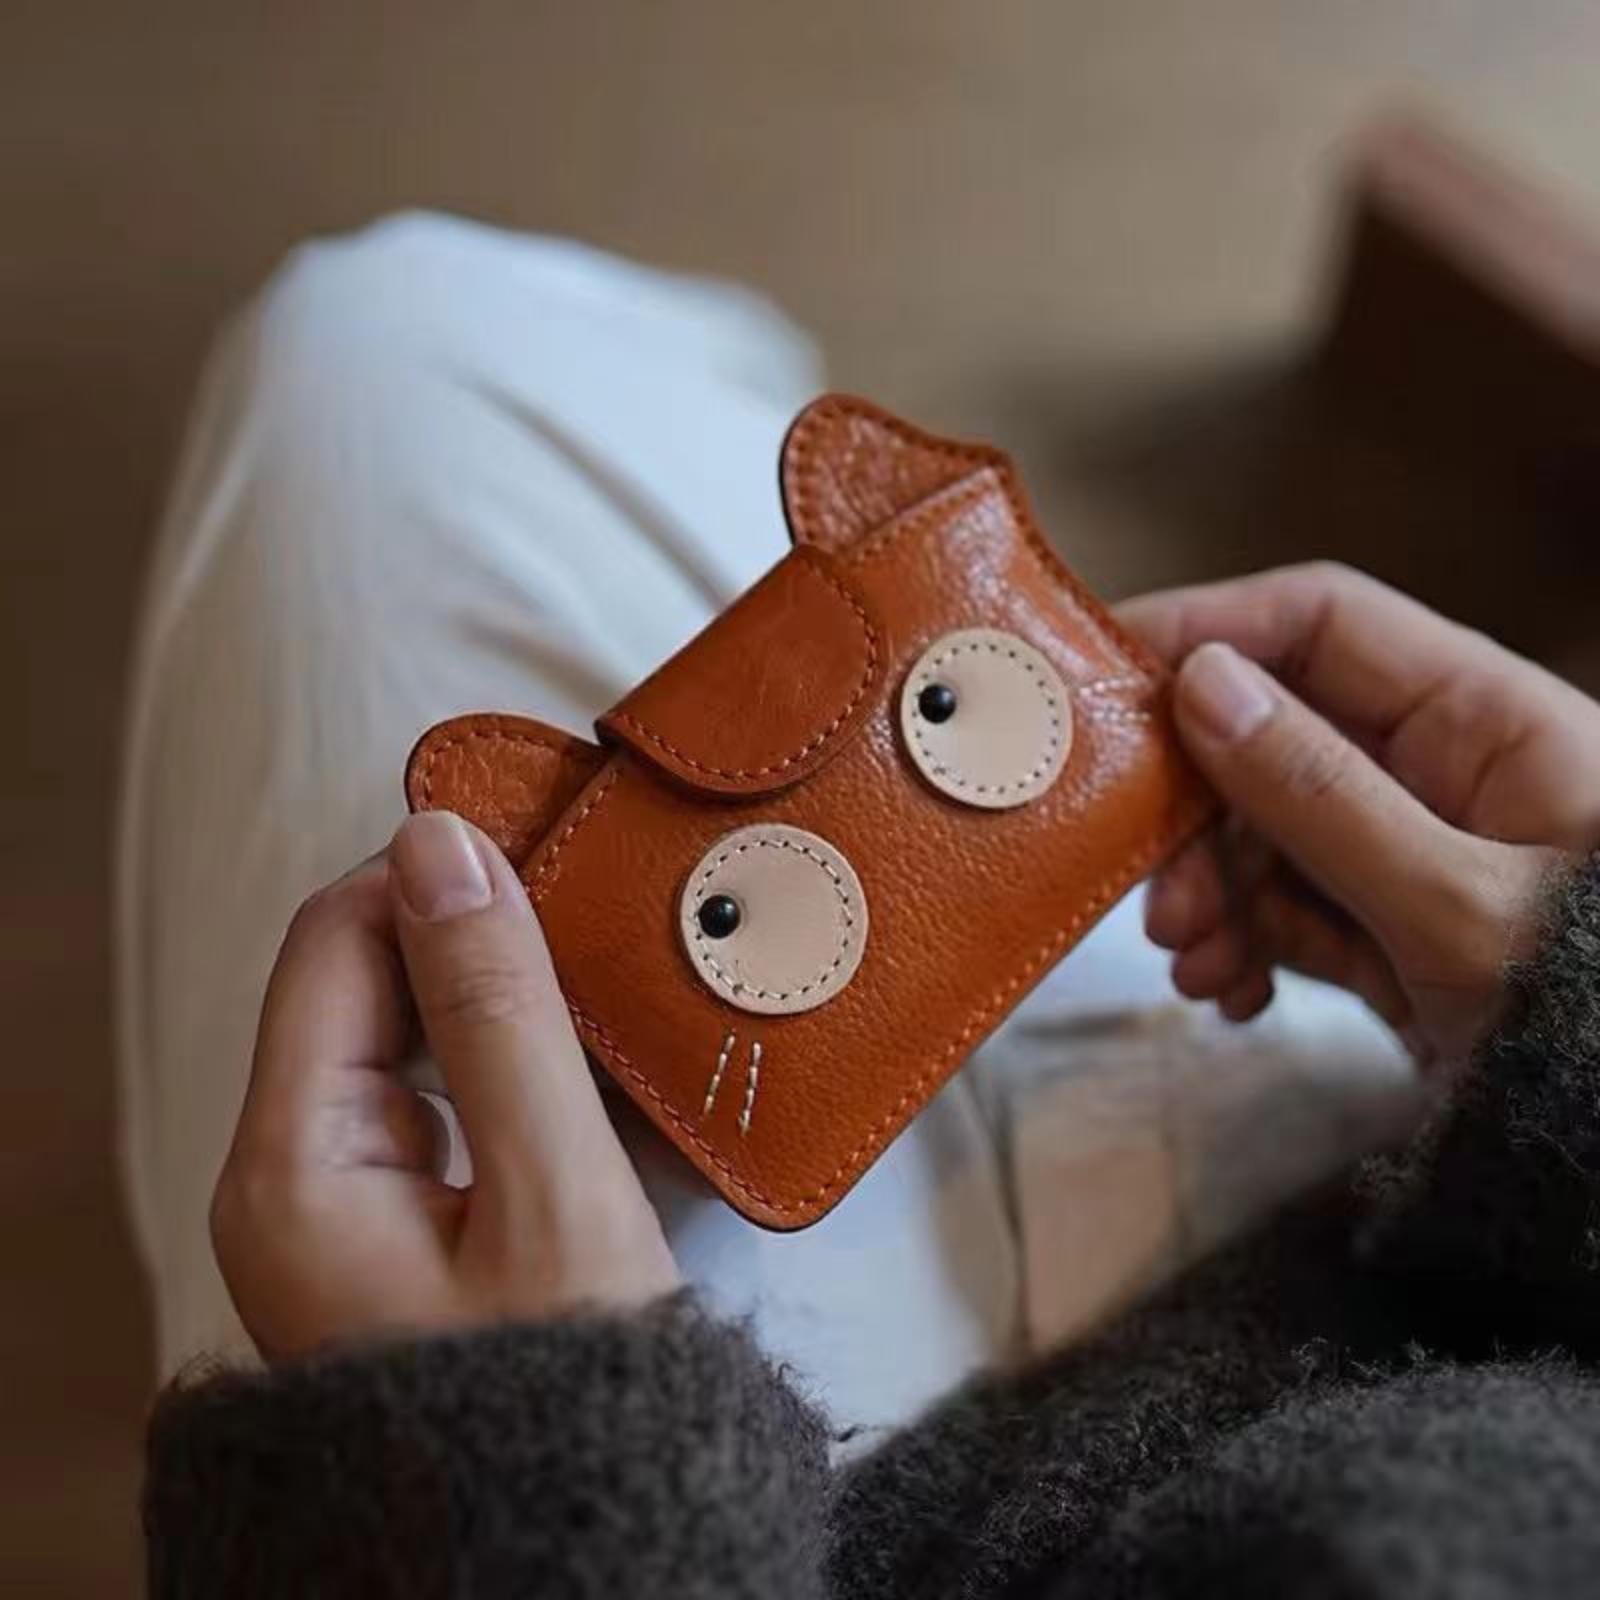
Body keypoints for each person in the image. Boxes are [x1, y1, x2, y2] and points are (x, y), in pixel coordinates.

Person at [124, 217, 1600, 1595]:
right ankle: (722, 347)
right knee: (393, 333)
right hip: (1443, 1187)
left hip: (782, 1493)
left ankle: (713, 344)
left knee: (379, 332)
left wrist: (518, 1487)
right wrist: (1571, 1017)